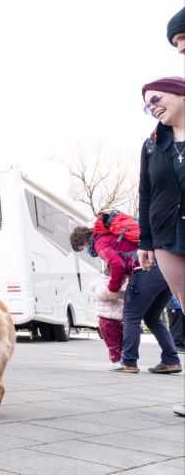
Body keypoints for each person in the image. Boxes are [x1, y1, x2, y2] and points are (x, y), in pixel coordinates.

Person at [70, 225, 181, 375]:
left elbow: (117, 264)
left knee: (130, 317)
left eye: (81, 248)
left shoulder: (100, 242)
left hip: (145, 272)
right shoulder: (114, 237)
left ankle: (129, 362)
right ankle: (171, 360)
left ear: (83, 241)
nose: (85, 251)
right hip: (165, 272)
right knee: (152, 318)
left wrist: (112, 289)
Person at [137, 76, 185, 308]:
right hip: (166, 239)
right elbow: (145, 195)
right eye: (148, 105)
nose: (152, 107)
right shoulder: (151, 145)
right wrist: (145, 242)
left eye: (156, 99)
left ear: (181, 93)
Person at [89, 273, 125, 368]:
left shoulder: (122, 280)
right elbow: (103, 294)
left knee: (122, 343)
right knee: (113, 344)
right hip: (107, 319)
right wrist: (117, 289)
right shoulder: (100, 282)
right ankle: (114, 362)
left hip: (120, 319)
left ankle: (121, 360)